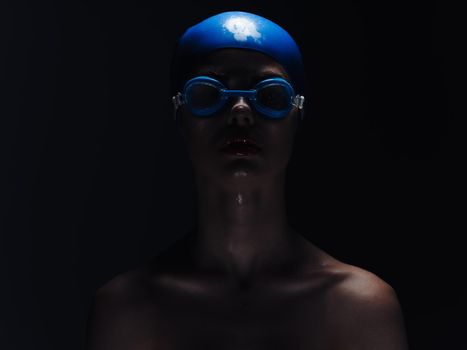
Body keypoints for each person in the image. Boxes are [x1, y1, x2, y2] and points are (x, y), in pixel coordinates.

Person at [85, 11, 409, 350]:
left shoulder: (359, 306)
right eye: (209, 94)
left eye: (269, 96)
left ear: (297, 114)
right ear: (179, 113)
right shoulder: (127, 309)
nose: (240, 110)